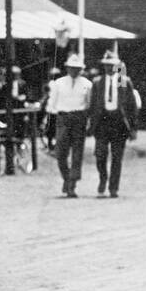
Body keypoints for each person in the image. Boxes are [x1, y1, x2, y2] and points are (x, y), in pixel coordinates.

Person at [89, 49, 138, 198]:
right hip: (102, 122)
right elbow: (93, 105)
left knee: (117, 157)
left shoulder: (123, 81)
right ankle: (103, 178)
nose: (108, 68)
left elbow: (131, 105)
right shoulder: (97, 82)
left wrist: (133, 127)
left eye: (111, 65)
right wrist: (91, 124)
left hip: (118, 123)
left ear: (117, 66)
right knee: (100, 155)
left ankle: (113, 187)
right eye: (106, 65)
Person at [45, 54, 91, 198]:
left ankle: (72, 184)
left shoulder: (87, 84)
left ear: (81, 69)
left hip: (79, 118)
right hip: (63, 118)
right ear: (67, 68)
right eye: (71, 68)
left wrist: (87, 120)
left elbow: (89, 104)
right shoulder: (58, 83)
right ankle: (66, 177)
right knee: (60, 153)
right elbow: (51, 103)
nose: (74, 71)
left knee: (77, 153)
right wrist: (49, 119)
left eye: (77, 68)